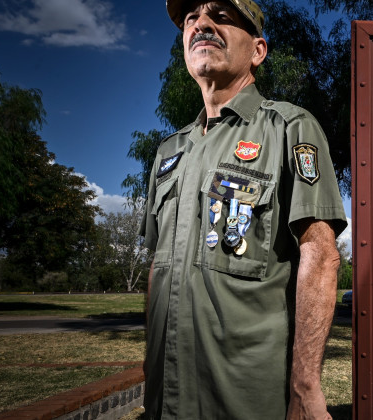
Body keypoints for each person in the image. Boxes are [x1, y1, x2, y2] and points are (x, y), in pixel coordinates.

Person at [139, 0, 348, 418]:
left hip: (248, 399)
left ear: (257, 50)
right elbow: (155, 269)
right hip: (166, 398)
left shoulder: (289, 127)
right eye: (190, 18)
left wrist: (306, 387)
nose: (202, 25)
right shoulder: (168, 152)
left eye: (220, 16)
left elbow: (321, 257)